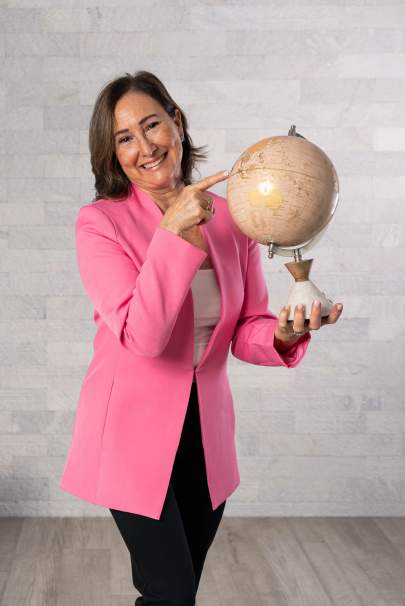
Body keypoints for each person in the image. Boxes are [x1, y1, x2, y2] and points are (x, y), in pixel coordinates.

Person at [59, 70, 343, 605]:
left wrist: (282, 333)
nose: (144, 148)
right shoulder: (99, 224)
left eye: (152, 126)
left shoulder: (233, 220)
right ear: (112, 152)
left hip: (204, 435)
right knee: (168, 590)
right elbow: (141, 337)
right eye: (124, 138)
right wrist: (172, 237)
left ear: (177, 123)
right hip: (130, 436)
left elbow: (245, 330)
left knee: (178, 593)